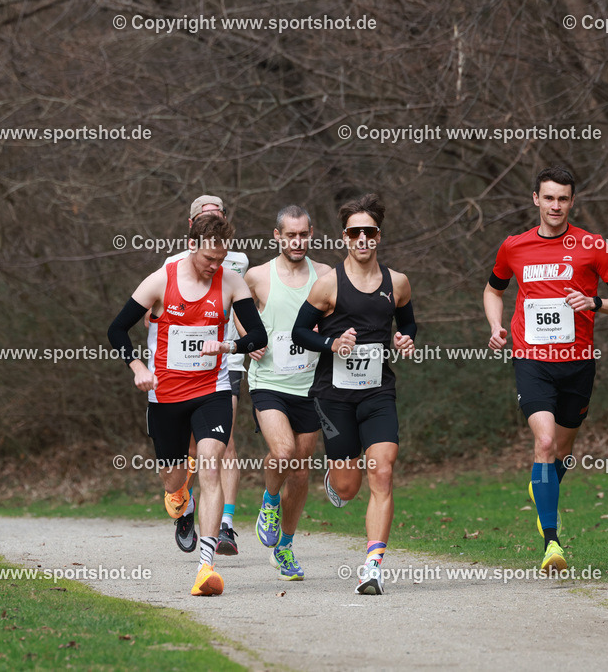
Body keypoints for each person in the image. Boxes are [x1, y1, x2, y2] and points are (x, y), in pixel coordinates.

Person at [483, 166, 608, 574]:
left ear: (572, 201)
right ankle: (552, 543)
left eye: (563, 198)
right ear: (536, 198)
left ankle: (542, 487)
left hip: (578, 364)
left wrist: (596, 303)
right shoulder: (514, 247)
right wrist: (496, 326)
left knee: (562, 451)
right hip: (532, 360)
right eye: (548, 197)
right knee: (546, 442)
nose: (555, 206)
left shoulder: (591, 245)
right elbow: (493, 289)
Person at [108, 213, 267, 595]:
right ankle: (180, 495)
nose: (216, 265)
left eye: (221, 258)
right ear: (192, 243)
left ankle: (205, 567)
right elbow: (116, 329)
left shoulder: (230, 282)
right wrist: (136, 367)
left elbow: (257, 335)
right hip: (164, 396)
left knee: (211, 462)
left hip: (210, 391)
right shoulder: (161, 281)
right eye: (210, 258)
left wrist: (227, 345)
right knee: (174, 477)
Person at [292, 193, 416, 595]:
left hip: (378, 390)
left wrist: (405, 339)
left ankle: (372, 566)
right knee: (349, 487)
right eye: (355, 232)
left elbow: (409, 324)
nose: (363, 239)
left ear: (379, 235)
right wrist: (331, 344)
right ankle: (336, 476)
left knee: (382, 469)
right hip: (334, 395)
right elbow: (299, 333)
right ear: (344, 236)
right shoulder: (328, 285)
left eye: (370, 231)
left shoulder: (397, 282)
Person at [143, 196, 247, 555]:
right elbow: (151, 313)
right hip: (174, 376)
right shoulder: (172, 265)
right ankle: (183, 501)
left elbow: (242, 303)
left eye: (219, 216)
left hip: (223, 366)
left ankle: (224, 528)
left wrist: (242, 342)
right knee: (184, 460)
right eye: (206, 218)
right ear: (192, 228)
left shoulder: (238, 262)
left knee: (222, 449)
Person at [245, 205, 332, 580]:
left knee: (300, 472)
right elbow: (236, 305)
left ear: (312, 233)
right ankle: (268, 503)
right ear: (277, 236)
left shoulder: (326, 275)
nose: (297, 242)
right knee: (282, 452)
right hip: (268, 383)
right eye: (290, 235)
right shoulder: (257, 277)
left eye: (303, 235)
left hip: (311, 387)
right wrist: (248, 339)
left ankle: (285, 548)